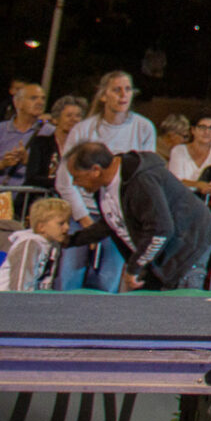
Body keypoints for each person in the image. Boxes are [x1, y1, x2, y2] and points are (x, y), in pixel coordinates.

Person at [65, 141, 211, 290]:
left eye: (76, 177)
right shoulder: (105, 187)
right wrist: (70, 240)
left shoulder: (141, 180)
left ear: (95, 170)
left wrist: (135, 267)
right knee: (149, 300)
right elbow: (112, 222)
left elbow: (161, 230)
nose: (75, 183)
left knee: (179, 301)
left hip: (189, 242)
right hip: (161, 248)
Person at [54, 70, 157, 290]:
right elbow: (64, 180)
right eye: (116, 90)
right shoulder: (83, 129)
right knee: (69, 275)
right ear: (103, 95)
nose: (123, 95)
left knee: (108, 278)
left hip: (119, 215)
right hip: (82, 211)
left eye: (127, 89)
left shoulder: (144, 127)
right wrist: (84, 219)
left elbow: (146, 175)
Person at [0, 197, 72, 291]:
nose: (67, 227)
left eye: (68, 222)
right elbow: (19, 284)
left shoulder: (53, 245)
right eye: (61, 223)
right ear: (41, 227)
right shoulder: (29, 244)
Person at [24, 95, 84, 191]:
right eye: (69, 115)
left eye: (78, 116)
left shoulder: (84, 148)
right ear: (56, 119)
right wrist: (63, 183)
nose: (74, 119)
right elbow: (32, 177)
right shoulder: (41, 143)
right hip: (41, 197)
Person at [0, 82, 52, 186]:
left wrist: (30, 162)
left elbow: (55, 170)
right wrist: (3, 164)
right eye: (33, 98)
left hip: (30, 194)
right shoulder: (2, 129)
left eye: (43, 98)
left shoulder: (50, 132)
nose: (40, 102)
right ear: (17, 103)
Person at [169, 114, 211, 198]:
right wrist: (198, 184)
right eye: (202, 127)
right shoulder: (179, 150)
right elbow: (174, 181)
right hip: (182, 199)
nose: (207, 132)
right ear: (193, 130)